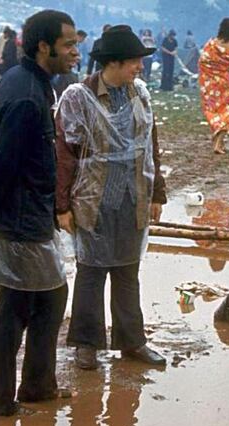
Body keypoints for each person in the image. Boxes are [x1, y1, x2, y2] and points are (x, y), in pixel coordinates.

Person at [0, 9, 80, 416]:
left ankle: (34, 388)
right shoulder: (27, 95)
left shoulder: (22, 82)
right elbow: (1, 159)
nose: (76, 52)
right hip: (22, 219)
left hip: (24, 213)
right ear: (45, 47)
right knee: (22, 307)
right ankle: (3, 401)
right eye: (68, 45)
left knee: (37, 301)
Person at [54, 24, 168, 369]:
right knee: (91, 270)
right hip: (93, 195)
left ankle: (132, 342)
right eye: (134, 60)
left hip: (133, 193)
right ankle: (86, 344)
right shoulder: (79, 97)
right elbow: (64, 153)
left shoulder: (140, 94)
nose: (140, 67)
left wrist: (157, 193)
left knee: (127, 270)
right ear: (114, 63)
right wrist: (61, 206)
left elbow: (151, 143)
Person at [198, 18, 229, 155]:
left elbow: (202, 61)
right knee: (227, 111)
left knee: (214, 110)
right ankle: (218, 143)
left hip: (212, 84)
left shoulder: (211, 44)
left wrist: (211, 75)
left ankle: (218, 136)